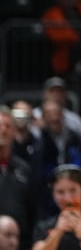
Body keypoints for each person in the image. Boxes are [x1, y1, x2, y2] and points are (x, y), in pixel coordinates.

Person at [31, 165, 81, 250]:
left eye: (73, 190)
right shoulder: (43, 227)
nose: (67, 198)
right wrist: (58, 232)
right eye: (60, 192)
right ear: (53, 195)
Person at [0, 107, 36, 250]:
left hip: (19, 244)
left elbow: (33, 209)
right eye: (0, 125)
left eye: (8, 126)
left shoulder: (24, 168)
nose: (3, 130)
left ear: (14, 132)